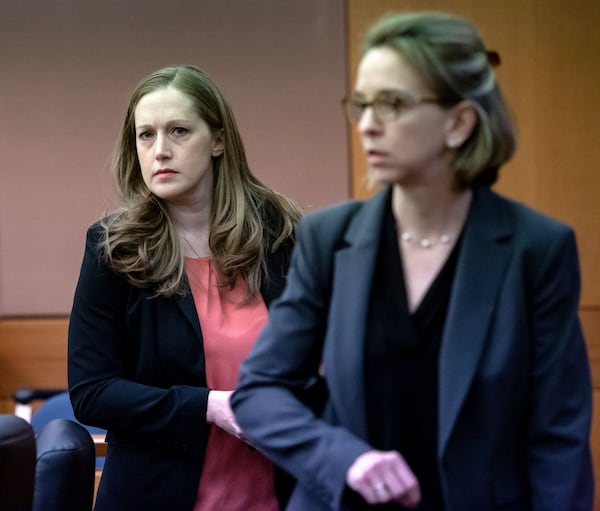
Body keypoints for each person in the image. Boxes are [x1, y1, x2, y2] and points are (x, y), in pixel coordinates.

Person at [231, 11, 594, 511]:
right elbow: (259, 392)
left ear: (459, 122)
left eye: (393, 104)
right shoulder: (328, 238)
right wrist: (345, 458)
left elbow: (558, 437)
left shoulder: (537, 248)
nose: (368, 125)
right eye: (361, 105)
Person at [67, 64, 301, 511]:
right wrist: (209, 407)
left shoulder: (283, 235)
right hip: (156, 491)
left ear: (217, 140)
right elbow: (92, 392)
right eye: (146, 135)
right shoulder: (112, 248)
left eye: (178, 131)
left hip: (282, 490)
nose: (160, 151)